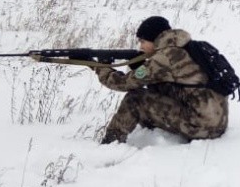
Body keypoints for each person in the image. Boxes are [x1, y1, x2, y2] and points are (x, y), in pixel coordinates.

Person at [94, 16, 229, 144]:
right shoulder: (187, 47)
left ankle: (111, 142)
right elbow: (167, 82)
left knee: (135, 99)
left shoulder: (164, 58)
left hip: (201, 127)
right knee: (156, 89)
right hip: (217, 122)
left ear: (155, 39)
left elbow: (123, 83)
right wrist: (139, 67)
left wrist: (101, 68)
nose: (141, 47)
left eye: (143, 41)